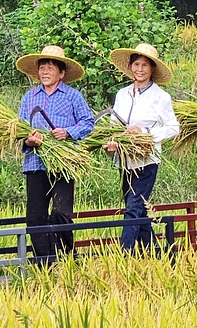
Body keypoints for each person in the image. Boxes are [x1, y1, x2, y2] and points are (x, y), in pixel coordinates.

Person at [15, 45, 95, 260]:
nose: (45, 71)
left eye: (50, 67)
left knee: (61, 213)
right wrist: (29, 140)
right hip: (35, 163)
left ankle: (68, 258)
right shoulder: (29, 98)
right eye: (42, 67)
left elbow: (89, 122)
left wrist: (68, 132)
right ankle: (45, 262)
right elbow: (19, 129)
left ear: (61, 73)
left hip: (63, 164)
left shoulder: (73, 96)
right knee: (35, 217)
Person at [105, 43, 180, 254]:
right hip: (124, 161)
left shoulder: (160, 97)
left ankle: (124, 254)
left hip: (147, 161)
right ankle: (156, 254)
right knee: (139, 211)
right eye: (136, 64)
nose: (140, 69)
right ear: (130, 67)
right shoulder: (122, 94)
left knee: (133, 209)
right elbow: (113, 126)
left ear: (152, 69)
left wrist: (144, 132)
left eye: (145, 65)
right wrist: (112, 144)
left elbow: (173, 128)